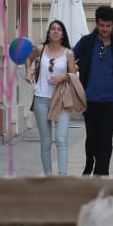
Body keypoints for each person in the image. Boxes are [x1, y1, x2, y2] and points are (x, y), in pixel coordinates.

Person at [73, 4, 113, 176]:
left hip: (112, 100)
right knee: (92, 138)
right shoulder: (86, 42)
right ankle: (90, 161)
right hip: (90, 99)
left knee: (105, 138)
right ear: (97, 23)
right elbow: (69, 58)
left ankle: (101, 172)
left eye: (108, 26)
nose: (105, 29)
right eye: (102, 25)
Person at [24, 20, 76, 176]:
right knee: (46, 142)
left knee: (61, 139)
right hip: (41, 98)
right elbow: (28, 59)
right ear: (48, 33)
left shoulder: (68, 53)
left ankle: (62, 176)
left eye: (59, 29)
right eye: (52, 29)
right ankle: (48, 176)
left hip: (61, 99)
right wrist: (28, 71)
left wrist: (62, 77)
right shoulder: (40, 49)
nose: (55, 31)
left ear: (62, 34)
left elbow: (73, 74)